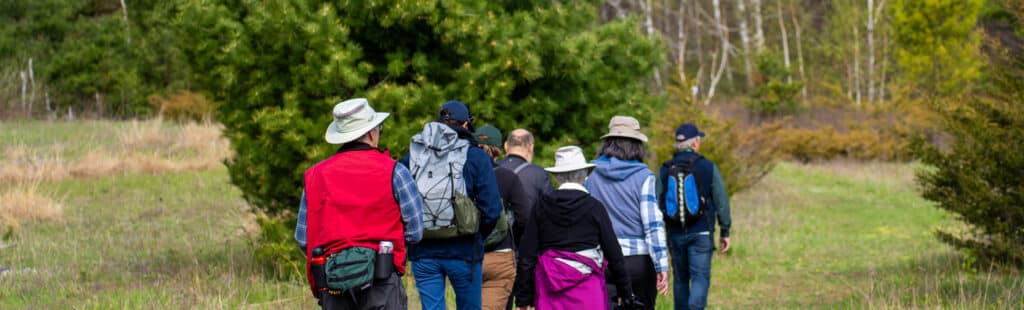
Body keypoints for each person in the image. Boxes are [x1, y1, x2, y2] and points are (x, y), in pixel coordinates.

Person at [294, 98, 424, 309]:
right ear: (372, 133)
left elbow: (303, 238)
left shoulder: (315, 176)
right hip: (382, 280)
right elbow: (416, 231)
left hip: (333, 283)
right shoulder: (395, 171)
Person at [402, 100, 503, 310]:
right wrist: (475, 233)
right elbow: (492, 209)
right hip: (464, 250)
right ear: (466, 125)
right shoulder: (475, 156)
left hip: (423, 250)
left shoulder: (414, 155)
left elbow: (401, 199)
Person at [513, 146, 639, 310]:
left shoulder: (541, 207)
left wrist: (523, 298)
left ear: (557, 176)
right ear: (585, 175)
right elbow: (614, 255)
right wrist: (626, 293)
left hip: (549, 288)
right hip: (588, 291)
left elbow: (527, 255)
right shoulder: (595, 208)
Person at [584, 116, 669, 310]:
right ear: (637, 145)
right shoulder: (643, 176)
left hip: (602, 259)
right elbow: (652, 225)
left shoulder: (591, 173)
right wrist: (661, 265)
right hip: (637, 261)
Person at [658, 123, 732, 310]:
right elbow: (721, 199)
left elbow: (657, 203)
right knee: (700, 277)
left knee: (681, 279)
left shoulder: (666, 169)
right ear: (696, 142)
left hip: (675, 234)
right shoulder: (707, 166)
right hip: (701, 233)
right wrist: (725, 230)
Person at [475, 125, 531, 310]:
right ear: (500, 148)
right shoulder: (508, 177)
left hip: (468, 254)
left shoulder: (462, 174)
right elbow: (524, 218)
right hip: (501, 254)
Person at [498, 128, 555, 245]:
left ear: (506, 146)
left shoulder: (492, 169)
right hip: (526, 245)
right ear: (531, 147)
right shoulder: (538, 174)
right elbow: (551, 211)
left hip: (496, 244)